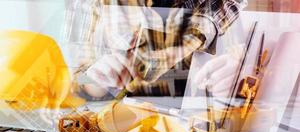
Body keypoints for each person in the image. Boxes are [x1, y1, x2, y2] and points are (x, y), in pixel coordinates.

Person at [64, 0, 248, 99]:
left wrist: (180, 47)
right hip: (127, 117)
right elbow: (77, 76)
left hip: (201, 104)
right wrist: (97, 80)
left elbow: (224, 7)